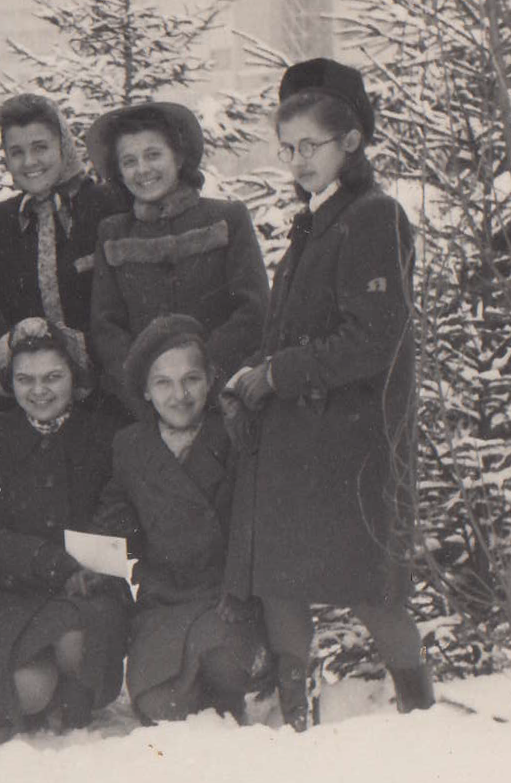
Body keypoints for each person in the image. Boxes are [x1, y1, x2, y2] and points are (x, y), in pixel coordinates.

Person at [226, 58, 434, 730]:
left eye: (309, 146)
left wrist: (278, 374)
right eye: (287, 149)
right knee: (282, 577)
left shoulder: (373, 216)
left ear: (351, 140)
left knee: (369, 583)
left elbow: (375, 336)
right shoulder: (318, 218)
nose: (298, 161)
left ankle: (422, 712)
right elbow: (293, 326)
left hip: (351, 438)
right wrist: (255, 371)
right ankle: (296, 717)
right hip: (301, 435)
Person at [0, 318, 129, 749]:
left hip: (87, 586)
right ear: (8, 383)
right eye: (25, 379)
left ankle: (76, 692)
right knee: (28, 694)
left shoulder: (104, 435)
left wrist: (90, 567)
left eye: (53, 377)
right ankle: (50, 693)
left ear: (75, 376)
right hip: (15, 592)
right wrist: (42, 560)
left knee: (75, 644)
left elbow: (118, 511)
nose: (39, 391)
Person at [94, 315, 266, 723]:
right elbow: (115, 518)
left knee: (225, 667)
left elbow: (254, 522)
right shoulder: (131, 446)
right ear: (146, 391)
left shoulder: (234, 434)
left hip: (224, 595)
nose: (179, 395)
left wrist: (239, 588)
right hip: (164, 599)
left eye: (191, 379)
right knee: (159, 707)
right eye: (163, 383)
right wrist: (99, 558)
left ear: (210, 380)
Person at [85, 102, 269, 417]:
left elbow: (253, 310)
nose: (142, 169)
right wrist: (146, 385)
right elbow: (106, 326)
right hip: (144, 406)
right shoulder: (112, 232)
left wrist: (202, 373)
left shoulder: (228, 217)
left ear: (179, 157)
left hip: (222, 399)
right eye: (129, 161)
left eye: (153, 155)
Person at [0, 94, 125, 408]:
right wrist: (5, 345)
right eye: (17, 152)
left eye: (40, 147)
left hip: (106, 393)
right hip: (28, 394)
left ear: (63, 147)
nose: (29, 162)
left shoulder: (107, 206)